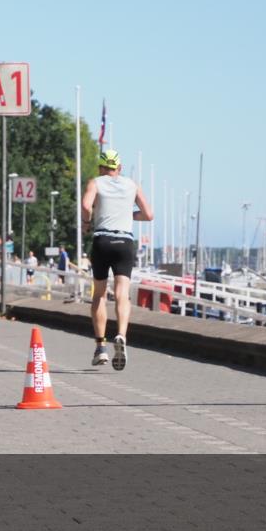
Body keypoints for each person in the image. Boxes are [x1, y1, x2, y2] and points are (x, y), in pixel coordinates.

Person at [81, 149, 153, 370]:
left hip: (102, 240)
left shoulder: (95, 183)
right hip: (125, 243)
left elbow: (86, 206)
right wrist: (127, 215)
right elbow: (148, 215)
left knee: (100, 294)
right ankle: (121, 334)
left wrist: (87, 223)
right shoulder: (132, 184)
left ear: (101, 168)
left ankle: (101, 347)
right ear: (119, 168)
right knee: (122, 293)